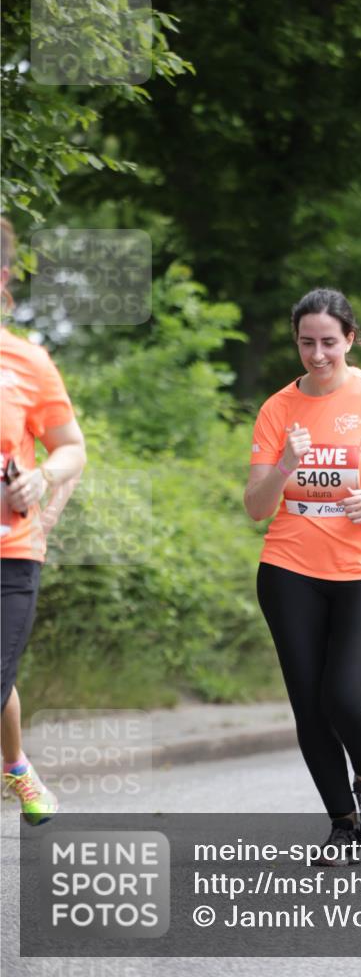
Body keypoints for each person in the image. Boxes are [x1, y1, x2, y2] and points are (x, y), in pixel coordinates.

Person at [244, 288, 361, 861]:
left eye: (329, 341)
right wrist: (286, 465)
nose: (318, 354)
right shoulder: (278, 409)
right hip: (290, 568)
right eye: (307, 342)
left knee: (344, 695)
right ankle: (344, 823)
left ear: (350, 339)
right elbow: (257, 507)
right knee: (309, 704)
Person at [1, 217, 87, 824]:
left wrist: (44, 479)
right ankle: (19, 769)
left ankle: (17, 771)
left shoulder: (27, 360)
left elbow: (71, 446)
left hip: (11, 551)